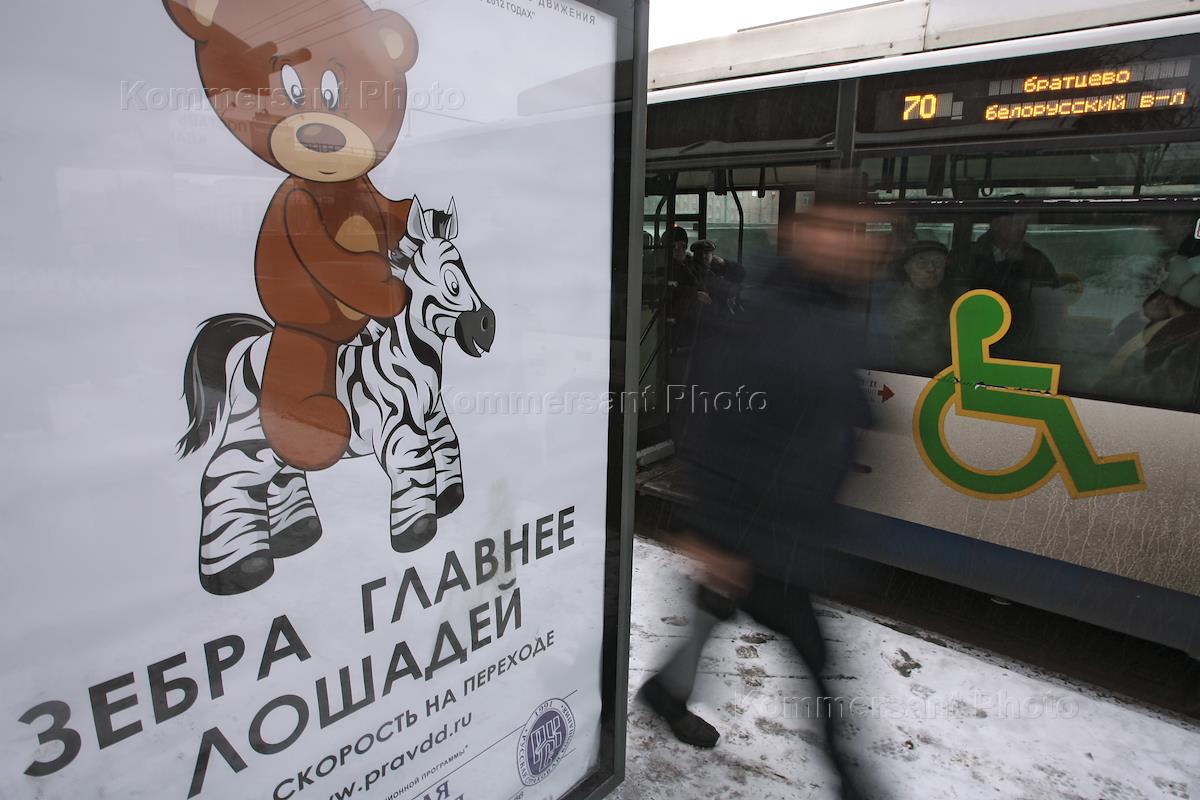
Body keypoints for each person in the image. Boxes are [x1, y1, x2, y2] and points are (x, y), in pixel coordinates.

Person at [641, 172, 888, 800]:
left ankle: (665, 692)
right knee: (817, 659)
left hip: (785, 522)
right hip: (762, 527)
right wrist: (713, 534)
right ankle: (852, 782)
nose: (857, 244)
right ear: (801, 234)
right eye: (840, 230)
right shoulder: (768, 316)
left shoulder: (828, 307)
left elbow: (823, 393)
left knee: (713, 612)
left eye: (863, 232)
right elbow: (717, 425)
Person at [963, 212, 1074, 358]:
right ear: (996, 224)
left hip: (1023, 345)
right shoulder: (966, 256)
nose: (1022, 227)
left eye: (1024, 223)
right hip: (971, 341)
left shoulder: (1036, 260)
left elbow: (1052, 308)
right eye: (1014, 221)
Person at [887, 241, 952, 374]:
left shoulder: (946, 297)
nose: (931, 269)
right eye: (922, 263)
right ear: (907, 268)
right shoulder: (901, 304)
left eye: (938, 262)